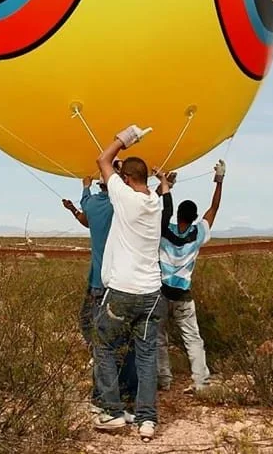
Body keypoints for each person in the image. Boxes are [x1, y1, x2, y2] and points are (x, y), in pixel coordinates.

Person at [91, 125, 166, 442]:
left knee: (103, 345)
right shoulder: (155, 203)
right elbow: (157, 186)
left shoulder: (124, 199)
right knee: (147, 355)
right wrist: (159, 181)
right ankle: (147, 420)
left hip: (122, 291)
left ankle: (112, 411)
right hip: (152, 294)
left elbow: (102, 159)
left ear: (127, 180)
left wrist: (125, 137)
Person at [61, 169, 137, 415]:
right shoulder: (127, 205)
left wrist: (83, 188)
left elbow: (86, 214)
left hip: (99, 283)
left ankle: (106, 398)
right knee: (126, 341)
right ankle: (128, 395)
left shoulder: (93, 203)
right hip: (126, 283)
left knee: (99, 340)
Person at [155, 160, 225, 393]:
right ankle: (200, 383)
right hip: (183, 296)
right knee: (193, 339)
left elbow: (154, 210)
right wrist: (219, 181)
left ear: (178, 216)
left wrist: (165, 187)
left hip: (161, 294)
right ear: (194, 217)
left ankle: (163, 380)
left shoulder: (164, 231)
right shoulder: (198, 234)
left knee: (158, 338)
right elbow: (213, 209)